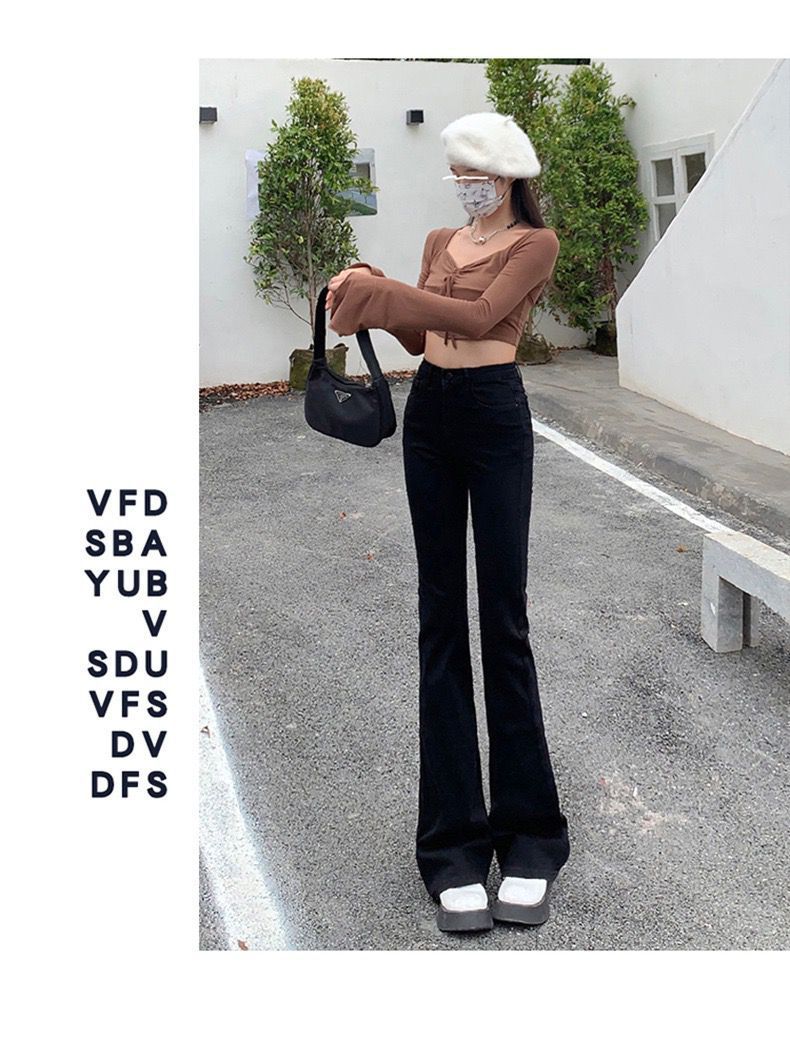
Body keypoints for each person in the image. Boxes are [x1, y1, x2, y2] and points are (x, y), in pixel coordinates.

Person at [326, 112, 570, 933]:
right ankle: (452, 848)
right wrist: (370, 295)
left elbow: (478, 318)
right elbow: (422, 332)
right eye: (457, 176)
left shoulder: (535, 244)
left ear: (505, 178)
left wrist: (388, 289)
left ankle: (531, 838)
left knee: (503, 619)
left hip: (495, 416)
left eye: (474, 175)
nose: (464, 188)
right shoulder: (440, 240)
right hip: (431, 414)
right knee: (439, 618)